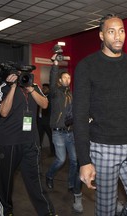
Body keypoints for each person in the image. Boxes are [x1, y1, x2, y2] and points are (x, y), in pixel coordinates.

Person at [73, 13, 127, 216]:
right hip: (103, 148)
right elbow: (79, 116)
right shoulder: (87, 66)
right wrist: (84, 161)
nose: (118, 36)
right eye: (111, 32)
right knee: (106, 210)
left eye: (121, 31)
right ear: (102, 36)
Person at [0, 73, 56, 215]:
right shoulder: (4, 87)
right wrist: (12, 87)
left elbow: (45, 104)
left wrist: (31, 89)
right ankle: (5, 211)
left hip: (31, 142)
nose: (21, 77)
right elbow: (3, 112)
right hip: (9, 142)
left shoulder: (34, 86)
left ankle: (46, 212)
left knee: (35, 180)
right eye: (18, 73)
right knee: (4, 182)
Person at [45, 57, 83, 213]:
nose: (68, 79)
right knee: (61, 159)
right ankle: (49, 175)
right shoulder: (55, 92)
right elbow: (52, 80)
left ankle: (71, 184)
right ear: (60, 80)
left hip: (71, 132)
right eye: (65, 77)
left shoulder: (71, 94)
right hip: (58, 133)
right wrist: (55, 65)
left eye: (69, 77)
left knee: (74, 160)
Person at [37, 83, 55, 156]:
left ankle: (53, 152)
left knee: (51, 138)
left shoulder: (51, 99)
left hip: (48, 122)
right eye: (42, 88)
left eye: (45, 88)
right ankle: (38, 152)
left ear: (49, 89)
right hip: (40, 122)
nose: (43, 89)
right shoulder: (40, 98)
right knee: (38, 138)